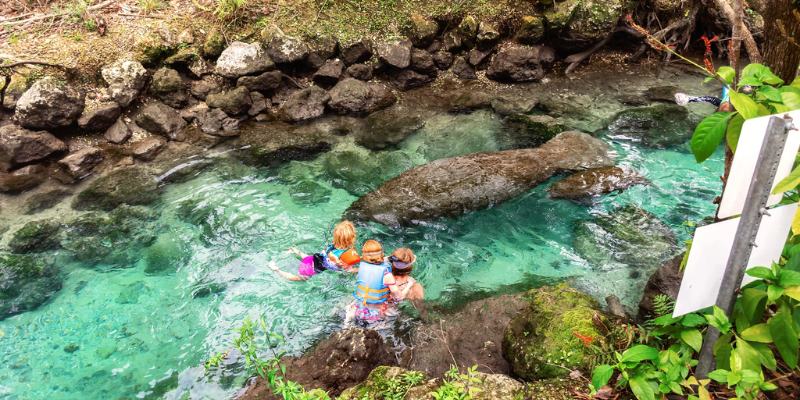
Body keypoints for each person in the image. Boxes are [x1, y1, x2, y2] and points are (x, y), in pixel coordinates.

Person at [270, 220, 361, 281]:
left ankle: (295, 251)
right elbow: (349, 270)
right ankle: (277, 270)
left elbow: (330, 254)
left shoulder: (334, 243)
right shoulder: (346, 255)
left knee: (308, 258)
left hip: (316, 257)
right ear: (352, 238)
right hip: (315, 268)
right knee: (301, 279)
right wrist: (359, 270)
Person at [343, 240, 402, 333]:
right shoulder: (387, 274)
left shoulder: (362, 267)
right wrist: (398, 299)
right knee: (396, 313)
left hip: (359, 308)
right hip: (376, 313)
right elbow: (395, 292)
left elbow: (351, 269)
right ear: (381, 254)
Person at [385, 247, 426, 321]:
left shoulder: (385, 278)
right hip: (397, 317)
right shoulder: (414, 286)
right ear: (410, 266)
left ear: (391, 262)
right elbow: (421, 310)